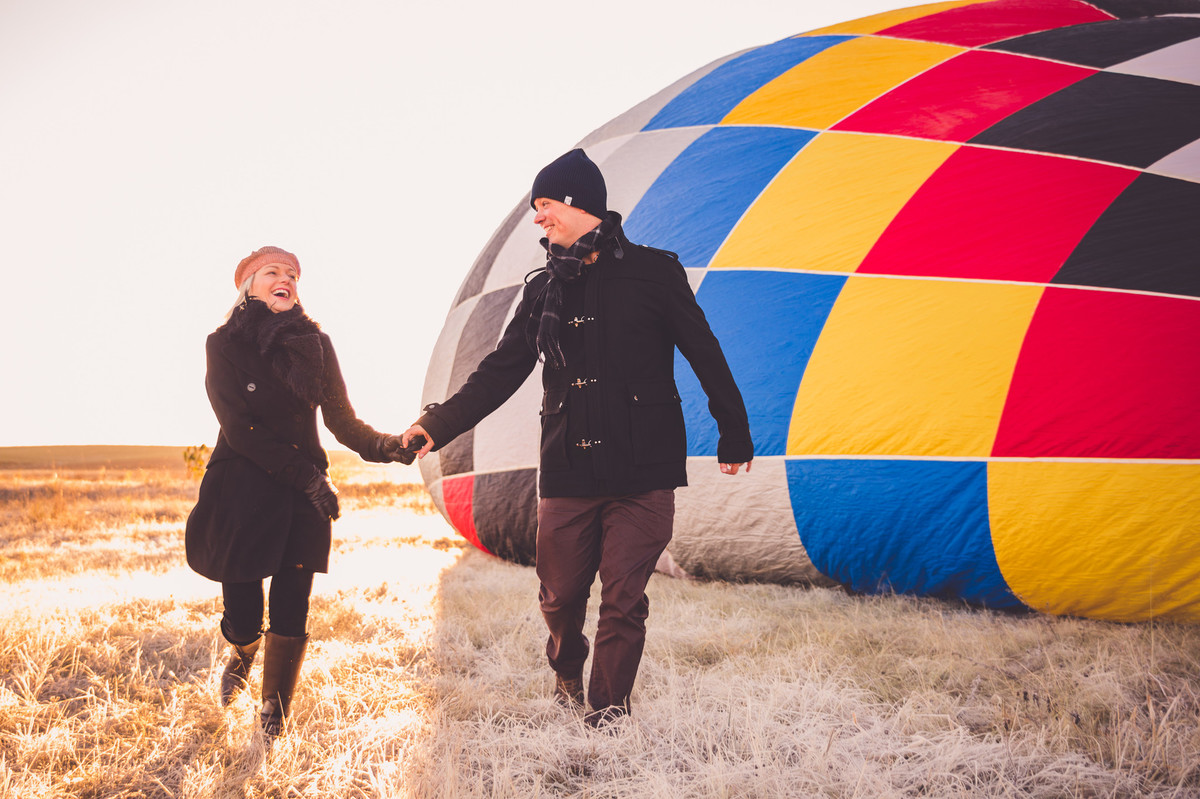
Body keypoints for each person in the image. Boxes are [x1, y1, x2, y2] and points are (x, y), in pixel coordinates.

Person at [402, 150, 753, 728]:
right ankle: (567, 666)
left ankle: (607, 713)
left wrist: (733, 432)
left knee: (623, 599)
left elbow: (705, 352)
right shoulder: (541, 288)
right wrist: (434, 426)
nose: (537, 219)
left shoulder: (654, 272)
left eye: (544, 206)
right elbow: (500, 370)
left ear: (576, 202)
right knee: (560, 597)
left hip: (643, 466)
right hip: (567, 464)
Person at [186, 246, 415, 737]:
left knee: (293, 601)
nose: (285, 278)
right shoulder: (223, 343)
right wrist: (307, 476)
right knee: (246, 614)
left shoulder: (315, 343)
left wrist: (386, 445)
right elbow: (239, 426)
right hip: (244, 486)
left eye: (292, 273)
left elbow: (341, 419)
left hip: (303, 494)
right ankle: (243, 647)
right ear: (248, 284)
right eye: (272, 271)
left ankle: (273, 711)